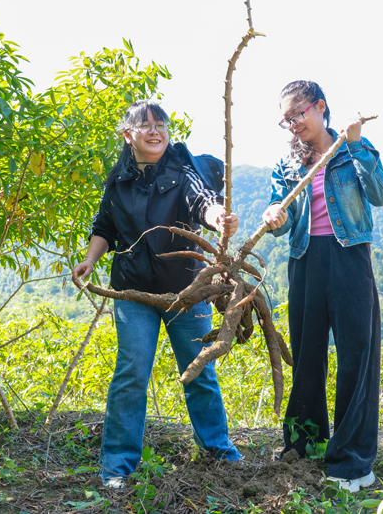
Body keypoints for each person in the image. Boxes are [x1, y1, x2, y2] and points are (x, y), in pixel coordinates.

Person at [73, 100, 243, 489]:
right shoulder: (118, 180)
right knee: (132, 372)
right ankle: (117, 466)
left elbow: (203, 202)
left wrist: (219, 219)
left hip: (187, 290)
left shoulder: (182, 171)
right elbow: (104, 226)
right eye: (145, 125)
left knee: (199, 370)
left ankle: (220, 453)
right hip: (133, 291)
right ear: (127, 135)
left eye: (161, 125)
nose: (155, 131)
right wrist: (89, 260)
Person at [262, 80, 383, 493]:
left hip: (349, 258)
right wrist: (274, 214)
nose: (293, 124)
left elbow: (381, 194)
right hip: (304, 261)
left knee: (357, 357)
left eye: (298, 113)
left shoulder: (352, 149)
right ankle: (305, 445)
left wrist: (355, 145)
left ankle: (351, 461)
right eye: (286, 119)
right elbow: (279, 217)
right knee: (307, 355)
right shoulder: (287, 163)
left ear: (320, 107)